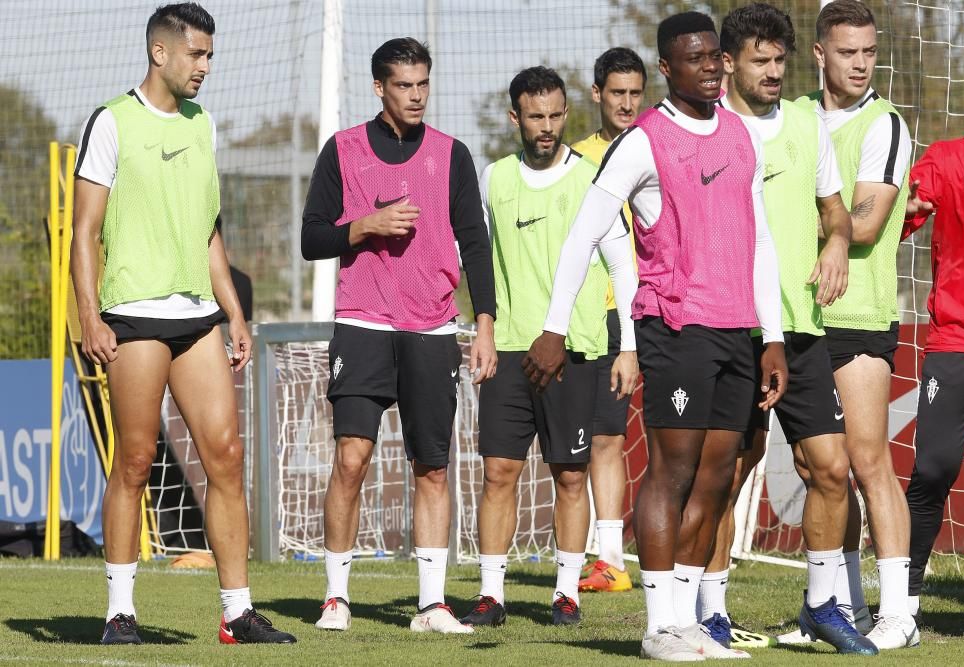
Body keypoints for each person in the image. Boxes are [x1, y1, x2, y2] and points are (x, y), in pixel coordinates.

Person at [524, 12, 787, 661]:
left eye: (713, 58)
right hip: (674, 327)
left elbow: (760, 238)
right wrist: (554, 327)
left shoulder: (741, 135)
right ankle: (657, 623)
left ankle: (690, 619)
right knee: (672, 471)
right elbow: (584, 231)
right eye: (693, 59)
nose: (707, 68)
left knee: (718, 475)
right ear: (667, 69)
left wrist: (773, 333)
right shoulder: (643, 141)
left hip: (736, 331)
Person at [71, 2, 295, 645]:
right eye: (197, 54)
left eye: (210, 55)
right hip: (133, 315)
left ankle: (237, 613)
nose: (205, 66)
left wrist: (234, 313)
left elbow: (208, 229)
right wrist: (91, 315)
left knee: (226, 455)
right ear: (160, 52)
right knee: (136, 461)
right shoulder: (111, 122)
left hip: (198, 317)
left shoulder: (203, 125)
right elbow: (85, 232)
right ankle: (119, 612)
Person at [300, 37, 497, 634]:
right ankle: (336, 597)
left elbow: (475, 241)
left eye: (423, 85)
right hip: (362, 323)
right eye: (404, 85)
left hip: (433, 328)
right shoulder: (343, 150)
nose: (416, 96)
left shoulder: (451, 154)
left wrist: (483, 321)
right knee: (351, 459)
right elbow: (312, 239)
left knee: (432, 466)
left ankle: (432, 605)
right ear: (379, 87)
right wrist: (364, 226)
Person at [706, 3, 878, 655]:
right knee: (724, 475)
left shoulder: (808, 125)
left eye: (781, 59)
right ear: (728, 64)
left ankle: (819, 606)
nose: (774, 71)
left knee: (830, 469)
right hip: (732, 331)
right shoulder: (710, 131)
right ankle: (711, 612)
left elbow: (835, 213)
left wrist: (836, 244)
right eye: (761, 60)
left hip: (801, 329)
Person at [459, 66, 638, 628]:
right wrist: (481, 328)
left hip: (575, 351)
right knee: (499, 473)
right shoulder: (494, 179)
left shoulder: (593, 179)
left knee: (569, 474)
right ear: (515, 118)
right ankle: (491, 595)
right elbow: (476, 261)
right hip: (510, 348)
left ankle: (566, 592)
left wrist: (629, 344)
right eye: (535, 116)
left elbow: (623, 265)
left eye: (556, 115)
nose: (547, 126)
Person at [787, 0, 916, 650]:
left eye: (868, 51)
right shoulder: (794, 119)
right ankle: (841, 605)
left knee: (870, 461)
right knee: (820, 471)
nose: (862, 63)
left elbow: (862, 223)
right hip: (797, 313)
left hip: (859, 314)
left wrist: (783, 221)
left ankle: (900, 612)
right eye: (848, 52)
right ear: (819, 53)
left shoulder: (885, 124)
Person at [902, 57, 964, 633]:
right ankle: (904, 600)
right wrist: (906, 209)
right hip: (958, 340)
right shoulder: (948, 159)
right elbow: (904, 212)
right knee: (934, 469)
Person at [572, 46, 646, 595]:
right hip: (591, 316)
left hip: (647, 313)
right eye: (616, 93)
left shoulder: (656, 149)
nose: (626, 103)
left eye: (635, 93)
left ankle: (628, 557)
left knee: (648, 438)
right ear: (597, 94)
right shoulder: (576, 159)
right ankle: (609, 558)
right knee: (600, 437)